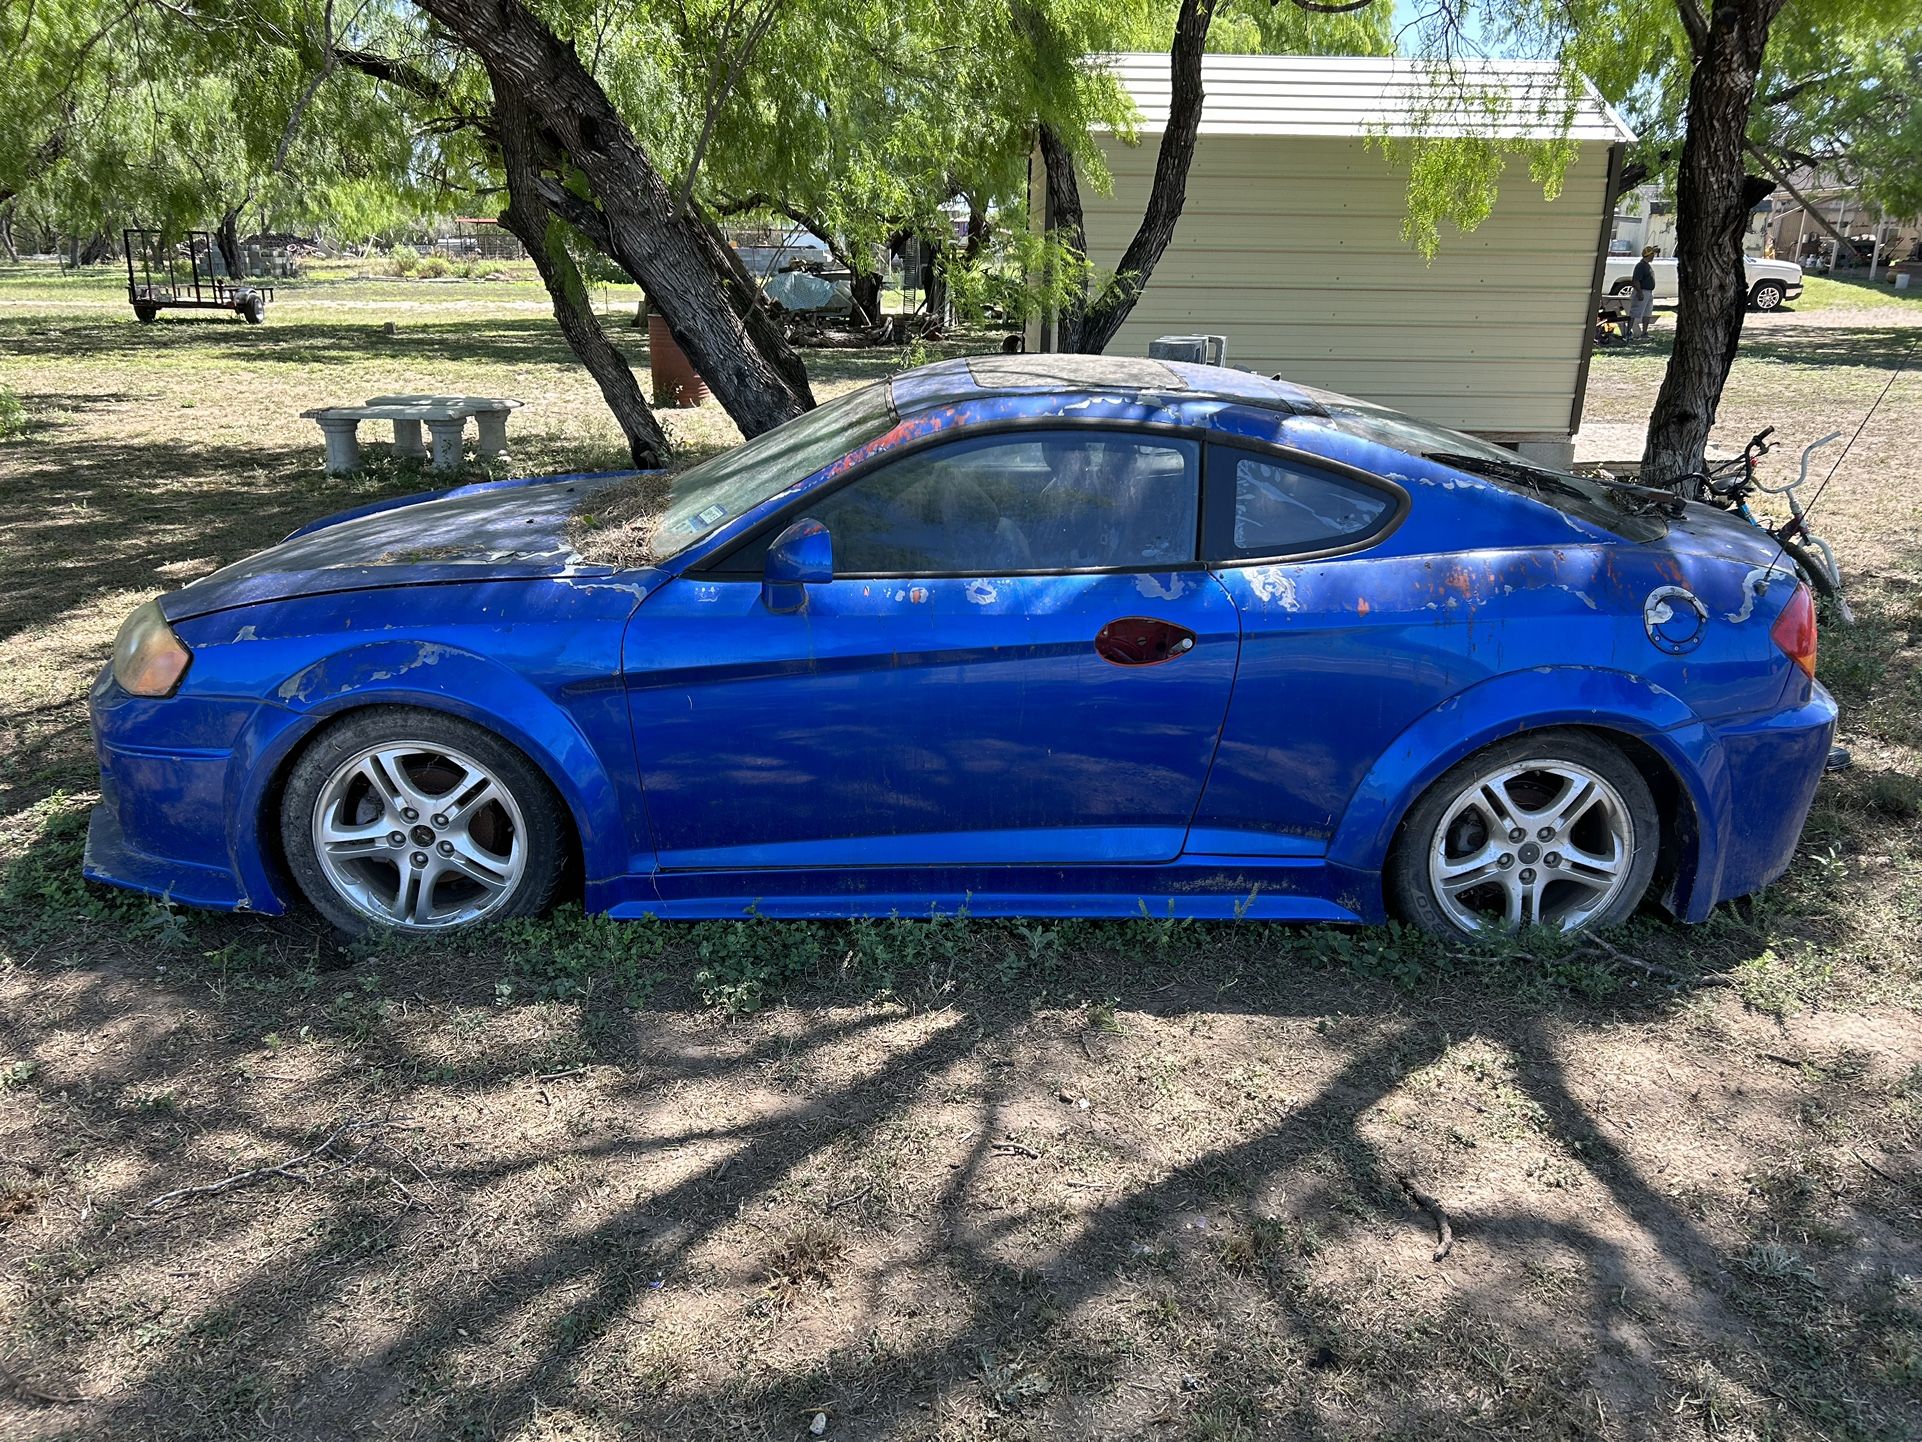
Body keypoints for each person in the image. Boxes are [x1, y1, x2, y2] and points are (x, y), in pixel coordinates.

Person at [1629, 246, 1658, 339]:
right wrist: (1640, 292)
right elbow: (1636, 280)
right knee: (1635, 312)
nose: (1653, 256)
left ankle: (1644, 333)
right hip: (1642, 291)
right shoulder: (1640, 266)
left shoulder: (1647, 265)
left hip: (1649, 292)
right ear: (1648, 255)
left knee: (1647, 313)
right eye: (1652, 254)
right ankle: (1628, 332)